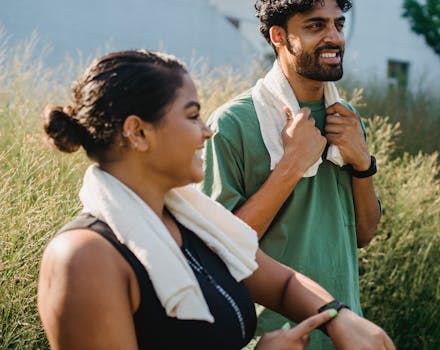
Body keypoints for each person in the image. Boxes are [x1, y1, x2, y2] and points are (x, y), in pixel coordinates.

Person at [37, 50, 393, 350]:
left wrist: (339, 318)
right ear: (139, 133)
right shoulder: (84, 258)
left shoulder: (192, 217)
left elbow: (283, 285)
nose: (206, 131)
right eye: (192, 116)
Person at [199, 0, 383, 348]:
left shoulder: (345, 117)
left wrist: (363, 164)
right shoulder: (232, 124)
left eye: (338, 25)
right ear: (279, 36)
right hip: (273, 339)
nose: (334, 37)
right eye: (316, 26)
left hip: (345, 333)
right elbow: (219, 250)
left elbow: (364, 233)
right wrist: (292, 165)